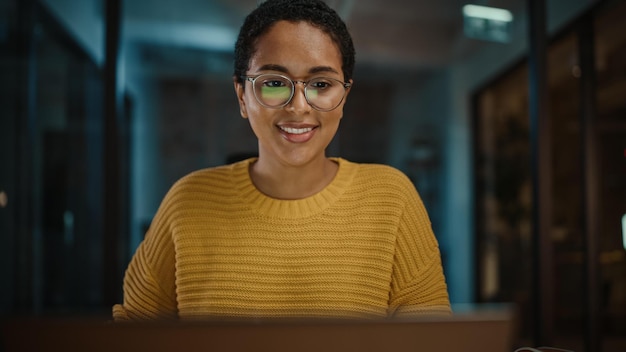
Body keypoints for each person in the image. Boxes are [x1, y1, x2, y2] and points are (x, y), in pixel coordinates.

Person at [113, 0, 450, 321]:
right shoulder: (186, 203)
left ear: (344, 96)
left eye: (320, 84)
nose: (299, 106)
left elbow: (433, 342)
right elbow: (132, 337)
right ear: (242, 96)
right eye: (274, 83)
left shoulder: (391, 198)